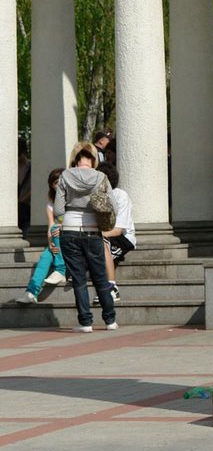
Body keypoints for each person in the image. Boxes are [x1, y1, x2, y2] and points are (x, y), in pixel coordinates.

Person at [53, 142, 118, 332]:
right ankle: (110, 320)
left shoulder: (65, 176)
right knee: (100, 277)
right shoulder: (101, 177)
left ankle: (86, 322)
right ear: (92, 160)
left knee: (79, 279)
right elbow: (113, 206)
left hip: (70, 230)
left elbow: (57, 210)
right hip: (93, 231)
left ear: (76, 160)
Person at [17, 168, 67, 303]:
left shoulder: (73, 199)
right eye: (56, 182)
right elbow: (50, 225)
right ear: (52, 186)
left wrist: (62, 228)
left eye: (62, 180)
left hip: (73, 239)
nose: (60, 184)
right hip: (58, 241)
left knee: (57, 228)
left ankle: (61, 269)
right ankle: (31, 293)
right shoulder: (51, 204)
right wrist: (50, 243)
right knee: (45, 256)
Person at [98, 162, 136, 303]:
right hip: (103, 234)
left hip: (122, 238)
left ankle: (111, 288)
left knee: (101, 249)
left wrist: (95, 235)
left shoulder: (120, 196)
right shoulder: (96, 197)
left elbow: (118, 230)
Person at [17, 137, 31, 237]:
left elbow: (37, 187)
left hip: (27, 209)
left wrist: (23, 199)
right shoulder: (8, 167)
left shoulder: (32, 166)